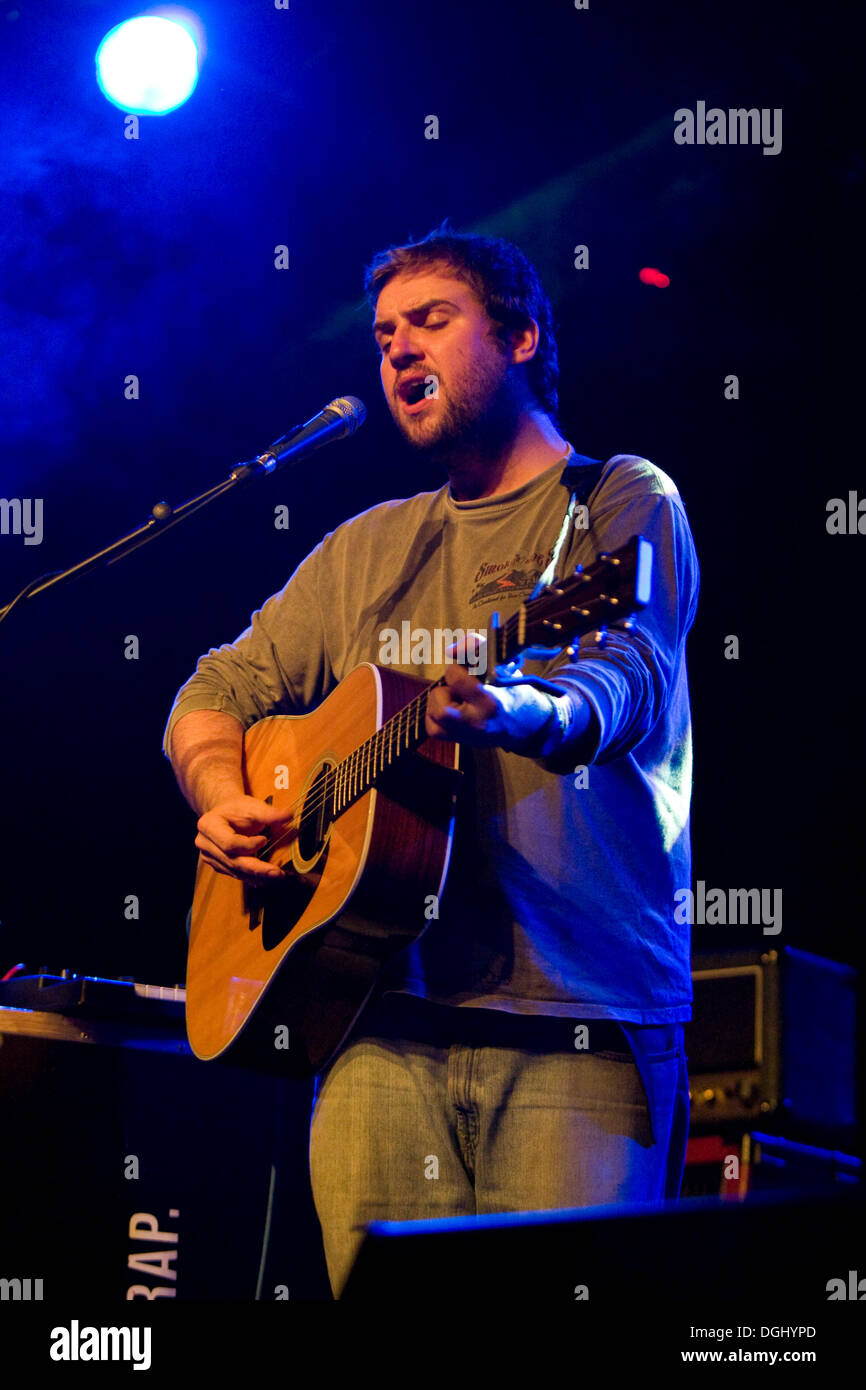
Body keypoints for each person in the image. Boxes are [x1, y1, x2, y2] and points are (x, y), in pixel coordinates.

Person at [163, 225, 700, 1299]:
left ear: (520, 335)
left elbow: (622, 677)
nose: (399, 350)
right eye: (383, 335)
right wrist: (222, 793)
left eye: (431, 321)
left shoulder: (615, 500)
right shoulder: (365, 546)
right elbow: (213, 691)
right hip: (370, 1018)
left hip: (573, 1022)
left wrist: (513, 706)